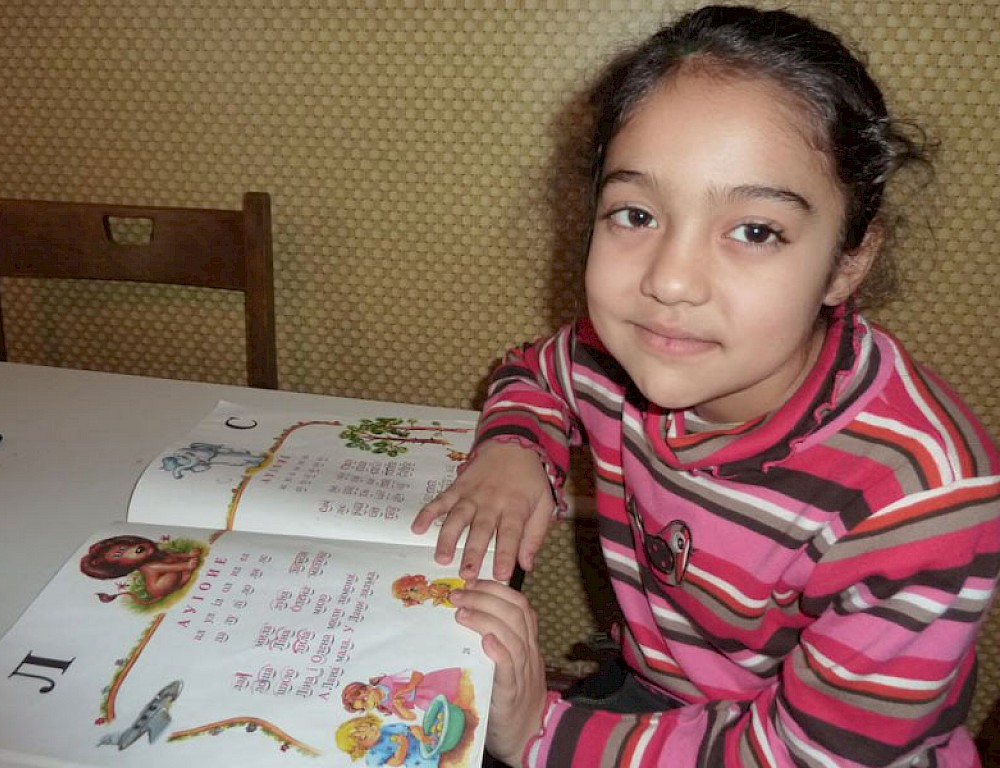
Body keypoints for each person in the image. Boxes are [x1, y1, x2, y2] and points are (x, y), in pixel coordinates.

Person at [411, 5, 1000, 766]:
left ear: (849, 260)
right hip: (662, 695)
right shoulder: (619, 356)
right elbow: (536, 373)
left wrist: (538, 732)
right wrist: (514, 449)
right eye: (636, 214)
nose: (672, 281)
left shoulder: (920, 495)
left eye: (755, 231)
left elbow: (810, 754)